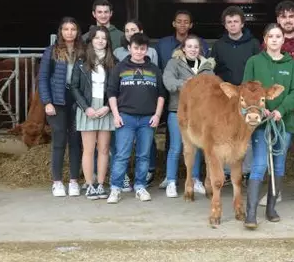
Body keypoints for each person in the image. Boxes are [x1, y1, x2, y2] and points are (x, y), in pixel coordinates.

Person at [256, 1, 294, 208]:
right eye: (283, 17)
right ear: (278, 19)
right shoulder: (267, 44)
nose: (287, 20)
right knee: (273, 147)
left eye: (291, 16)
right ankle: (275, 190)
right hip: (270, 106)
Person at [242, 23, 294, 229]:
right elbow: (247, 90)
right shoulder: (254, 62)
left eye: (278, 36)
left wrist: (280, 110)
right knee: (259, 164)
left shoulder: (291, 64)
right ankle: (250, 213)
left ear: (283, 40)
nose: (275, 40)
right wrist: (261, 108)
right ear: (265, 40)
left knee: (278, 165)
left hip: (283, 124)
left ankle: (271, 208)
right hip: (260, 123)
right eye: (271, 36)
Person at [106, 32, 166, 204]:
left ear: (147, 49)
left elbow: (161, 94)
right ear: (129, 48)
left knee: (144, 155)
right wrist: (116, 115)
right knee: (122, 155)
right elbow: (111, 92)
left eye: (142, 48)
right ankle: (116, 188)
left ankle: (140, 186)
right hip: (126, 117)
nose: (139, 52)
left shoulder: (154, 69)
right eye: (136, 48)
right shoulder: (120, 68)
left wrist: (157, 115)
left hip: (147, 118)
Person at [161, 35, 215, 198]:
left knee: (196, 147)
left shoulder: (207, 66)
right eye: (189, 46)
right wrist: (188, 84)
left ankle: (195, 179)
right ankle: (171, 180)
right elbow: (169, 83)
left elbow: (213, 88)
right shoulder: (174, 63)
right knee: (176, 147)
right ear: (183, 48)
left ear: (200, 49)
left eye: (196, 47)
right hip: (178, 110)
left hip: (200, 113)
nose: (192, 49)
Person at [211, 6, 260, 181]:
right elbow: (213, 71)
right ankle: (225, 172)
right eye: (229, 22)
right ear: (225, 25)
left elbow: (258, 70)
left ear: (242, 23)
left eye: (236, 22)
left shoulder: (254, 44)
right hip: (227, 97)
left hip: (248, 98)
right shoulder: (218, 45)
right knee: (226, 133)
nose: (232, 25)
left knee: (247, 134)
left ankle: (247, 171)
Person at [38, 17, 84, 197]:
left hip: (77, 99)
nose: (69, 32)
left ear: (77, 32)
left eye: (73, 29)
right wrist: (47, 101)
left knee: (75, 141)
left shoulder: (83, 51)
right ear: (61, 32)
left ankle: (73, 181)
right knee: (59, 141)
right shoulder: (51, 52)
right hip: (57, 100)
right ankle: (57, 182)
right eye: (66, 29)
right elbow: (42, 78)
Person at [71, 26, 116, 200]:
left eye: (104, 38)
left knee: (104, 149)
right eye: (97, 38)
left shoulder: (114, 61)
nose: (100, 41)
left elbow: (116, 88)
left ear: (108, 41)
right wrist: (86, 107)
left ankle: (101, 185)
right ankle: (90, 184)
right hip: (87, 107)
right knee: (88, 149)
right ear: (91, 40)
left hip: (106, 107)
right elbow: (74, 87)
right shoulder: (81, 60)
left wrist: (107, 106)